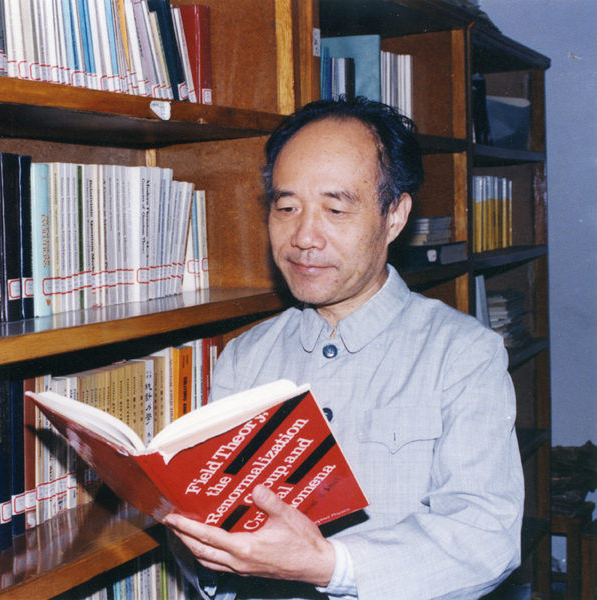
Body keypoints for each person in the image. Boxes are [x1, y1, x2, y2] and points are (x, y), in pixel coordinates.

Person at [162, 97, 523, 599]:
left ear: (394, 216)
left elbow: (486, 537)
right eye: (286, 207)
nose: (304, 237)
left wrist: (330, 566)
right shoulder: (244, 358)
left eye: (335, 209)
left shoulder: (462, 354)